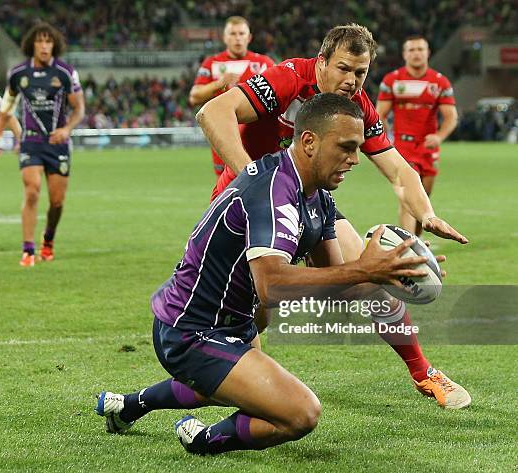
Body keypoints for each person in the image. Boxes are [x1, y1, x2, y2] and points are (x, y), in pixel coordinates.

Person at [95, 94, 444, 455]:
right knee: (300, 412)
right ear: (308, 141)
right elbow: (272, 287)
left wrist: (388, 275)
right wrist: (363, 268)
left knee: (219, 385)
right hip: (191, 330)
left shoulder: (318, 197)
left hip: (231, 322)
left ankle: (128, 406)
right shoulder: (273, 191)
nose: (355, 159)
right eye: (346, 147)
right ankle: (203, 440)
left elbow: (335, 281)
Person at [195, 24, 470, 408]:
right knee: (252, 316)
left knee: (371, 274)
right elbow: (213, 111)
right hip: (246, 206)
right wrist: (253, 182)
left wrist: (427, 212)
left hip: (308, 201)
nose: (352, 81)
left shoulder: (357, 105)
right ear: (321, 62)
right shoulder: (289, 78)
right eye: (344, 69)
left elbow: (399, 169)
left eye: (360, 72)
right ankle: (148, 400)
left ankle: (424, 372)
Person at [0, 22, 85, 267]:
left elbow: (79, 108)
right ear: (32, 44)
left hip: (57, 143)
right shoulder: (18, 73)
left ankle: (48, 240)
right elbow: (6, 108)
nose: (44, 46)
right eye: (40, 41)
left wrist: (66, 129)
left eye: (49, 41)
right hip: (30, 141)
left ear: (54, 45)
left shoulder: (65, 72)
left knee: (56, 202)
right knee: (31, 191)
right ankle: (28, 250)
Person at [377, 35, 458, 236]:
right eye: (411, 50)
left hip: (428, 148)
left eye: (420, 49)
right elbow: (380, 114)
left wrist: (439, 137)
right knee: (408, 198)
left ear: (428, 53)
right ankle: (408, 245)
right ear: (404, 54)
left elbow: (451, 117)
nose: (416, 53)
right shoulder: (392, 80)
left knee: (424, 198)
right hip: (403, 147)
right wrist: (387, 138)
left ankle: (416, 240)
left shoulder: (439, 82)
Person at [188, 16, 274, 176]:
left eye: (241, 33)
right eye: (233, 34)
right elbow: (194, 97)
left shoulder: (264, 63)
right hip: (224, 135)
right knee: (227, 186)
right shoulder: (212, 63)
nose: (237, 38)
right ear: (224, 37)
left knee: (260, 183)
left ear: (249, 37)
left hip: (257, 137)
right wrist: (219, 83)